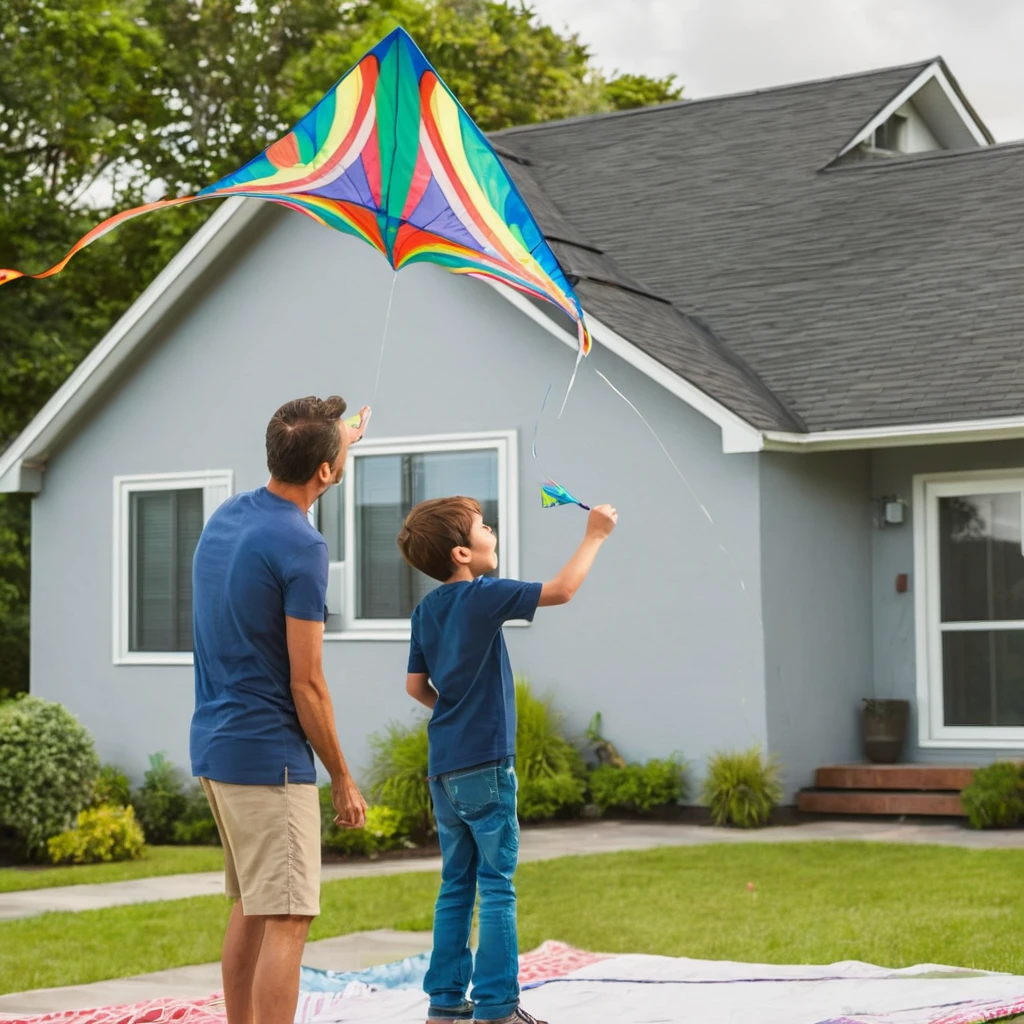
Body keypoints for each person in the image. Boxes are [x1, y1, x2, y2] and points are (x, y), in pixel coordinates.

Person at [397, 497, 618, 1024]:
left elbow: (414, 687)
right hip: (487, 766)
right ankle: (497, 1008)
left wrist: (453, 709)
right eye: (482, 527)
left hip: (443, 766)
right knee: (497, 883)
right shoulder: (483, 595)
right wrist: (595, 535)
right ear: (462, 553)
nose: (491, 530)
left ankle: (445, 1005)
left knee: (456, 884)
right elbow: (562, 591)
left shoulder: (425, 611)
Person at [190, 395, 369, 1024]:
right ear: (325, 472)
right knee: (290, 915)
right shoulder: (303, 547)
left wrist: (337, 437)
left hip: (216, 746)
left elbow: (310, 450)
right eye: (338, 454)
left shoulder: (228, 516)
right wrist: (343, 776)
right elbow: (308, 683)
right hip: (270, 758)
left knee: (254, 907)